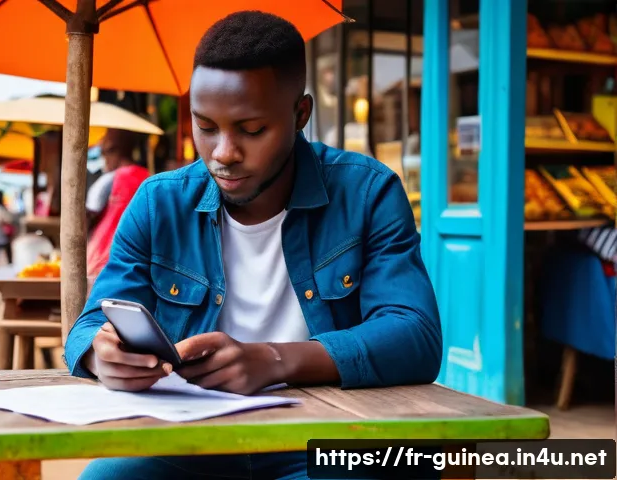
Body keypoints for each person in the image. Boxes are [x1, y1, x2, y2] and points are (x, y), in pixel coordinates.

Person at [66, 11, 442, 479]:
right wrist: (100, 356)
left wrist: (272, 359)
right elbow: (89, 326)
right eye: (205, 126)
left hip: (326, 441)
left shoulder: (368, 193)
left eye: (251, 129)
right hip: (187, 442)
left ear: (300, 115)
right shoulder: (158, 203)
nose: (223, 153)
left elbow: (415, 336)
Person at [85, 129, 150, 278]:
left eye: (104, 152)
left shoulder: (109, 179)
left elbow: (87, 215)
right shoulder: (147, 178)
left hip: (102, 263)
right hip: (137, 263)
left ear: (114, 149)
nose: (103, 159)